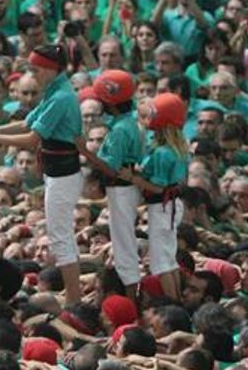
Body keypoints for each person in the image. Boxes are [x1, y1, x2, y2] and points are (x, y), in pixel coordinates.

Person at [0, 44, 85, 304]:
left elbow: (33, 137)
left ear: (49, 69)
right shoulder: (54, 91)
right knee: (61, 238)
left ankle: (73, 299)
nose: (33, 74)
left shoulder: (61, 97)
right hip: (57, 174)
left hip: (63, 175)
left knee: (60, 239)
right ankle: (73, 294)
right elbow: (26, 122)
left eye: (36, 69)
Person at [79, 70, 144, 299]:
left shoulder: (118, 130)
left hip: (121, 187)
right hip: (124, 187)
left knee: (124, 246)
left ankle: (131, 300)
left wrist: (85, 151)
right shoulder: (127, 121)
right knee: (123, 243)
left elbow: (110, 168)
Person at [125, 93, 189, 300]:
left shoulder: (163, 152)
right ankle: (177, 299)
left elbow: (158, 188)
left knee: (161, 263)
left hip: (162, 206)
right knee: (168, 259)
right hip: (169, 205)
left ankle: (174, 303)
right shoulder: (175, 147)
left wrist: (132, 178)